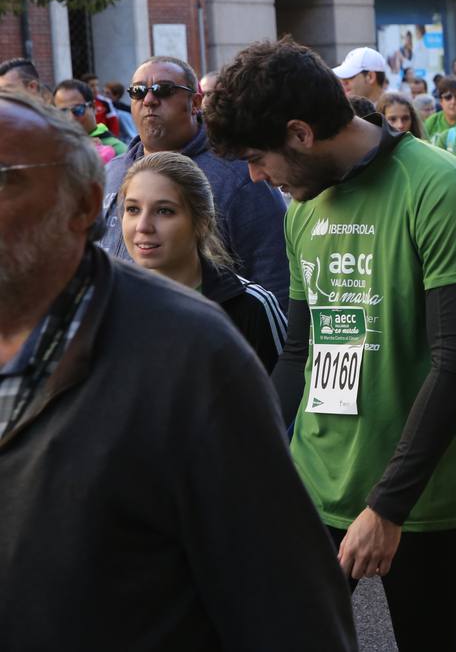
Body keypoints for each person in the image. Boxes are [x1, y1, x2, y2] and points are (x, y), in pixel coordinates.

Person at [0, 88, 357, 650]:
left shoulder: (200, 350)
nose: (145, 226)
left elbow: (286, 597)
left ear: (85, 205)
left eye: (5, 178)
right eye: (136, 209)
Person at [204, 38, 456, 652]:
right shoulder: (300, 209)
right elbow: (300, 353)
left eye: (259, 158)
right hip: (320, 480)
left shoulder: (439, 186)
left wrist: (388, 507)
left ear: (301, 133)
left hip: (419, 493)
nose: (257, 178)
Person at [99, 56, 290, 304]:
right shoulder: (110, 173)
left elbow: (274, 278)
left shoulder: (239, 176)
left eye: (163, 90)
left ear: (195, 102)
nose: (149, 100)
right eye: (137, 92)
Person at [120, 151, 287, 370]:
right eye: (133, 209)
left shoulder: (250, 306)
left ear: (203, 222)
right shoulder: (109, 304)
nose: (142, 226)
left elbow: (280, 396)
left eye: (164, 211)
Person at [52, 78, 127, 161]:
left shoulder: (119, 151)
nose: (70, 117)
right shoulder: (53, 148)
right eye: (63, 112)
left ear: (93, 107)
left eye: (78, 109)